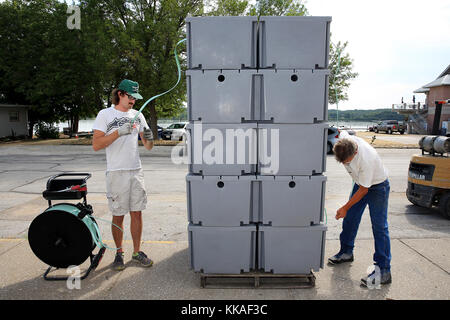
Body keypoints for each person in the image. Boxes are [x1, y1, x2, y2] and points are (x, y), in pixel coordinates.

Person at [92, 79, 154, 271]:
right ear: (120, 94)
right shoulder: (105, 114)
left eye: (136, 97)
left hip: (136, 170)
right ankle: (119, 253)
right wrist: (118, 132)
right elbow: (96, 145)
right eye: (130, 96)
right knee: (118, 214)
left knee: (137, 212)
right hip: (116, 172)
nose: (133, 100)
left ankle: (136, 252)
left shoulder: (138, 115)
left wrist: (150, 138)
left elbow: (148, 146)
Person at [328, 131, 392, 287]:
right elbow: (339, 131)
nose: (345, 165)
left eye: (348, 162)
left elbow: (364, 190)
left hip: (377, 187)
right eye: (342, 162)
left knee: (379, 227)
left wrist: (344, 207)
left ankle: (384, 271)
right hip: (360, 183)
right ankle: (346, 252)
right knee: (350, 218)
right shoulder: (344, 141)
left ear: (355, 152)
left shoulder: (366, 158)